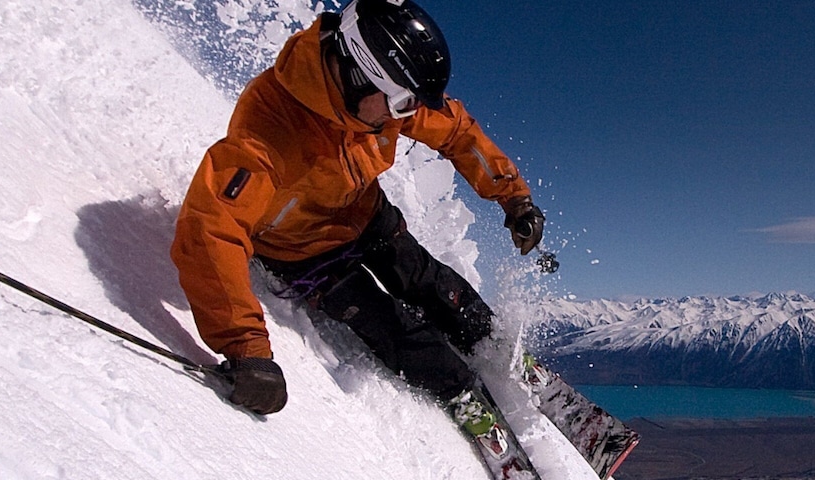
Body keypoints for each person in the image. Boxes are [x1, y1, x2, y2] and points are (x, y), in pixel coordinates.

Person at [171, 0, 544, 416]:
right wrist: (246, 351)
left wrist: (513, 196)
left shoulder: (379, 106)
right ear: (359, 75)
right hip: (304, 253)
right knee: (393, 327)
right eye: (404, 104)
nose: (407, 116)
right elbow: (209, 232)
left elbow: (454, 130)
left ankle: (494, 345)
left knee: (429, 281)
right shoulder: (269, 133)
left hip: (365, 213)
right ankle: (460, 392)